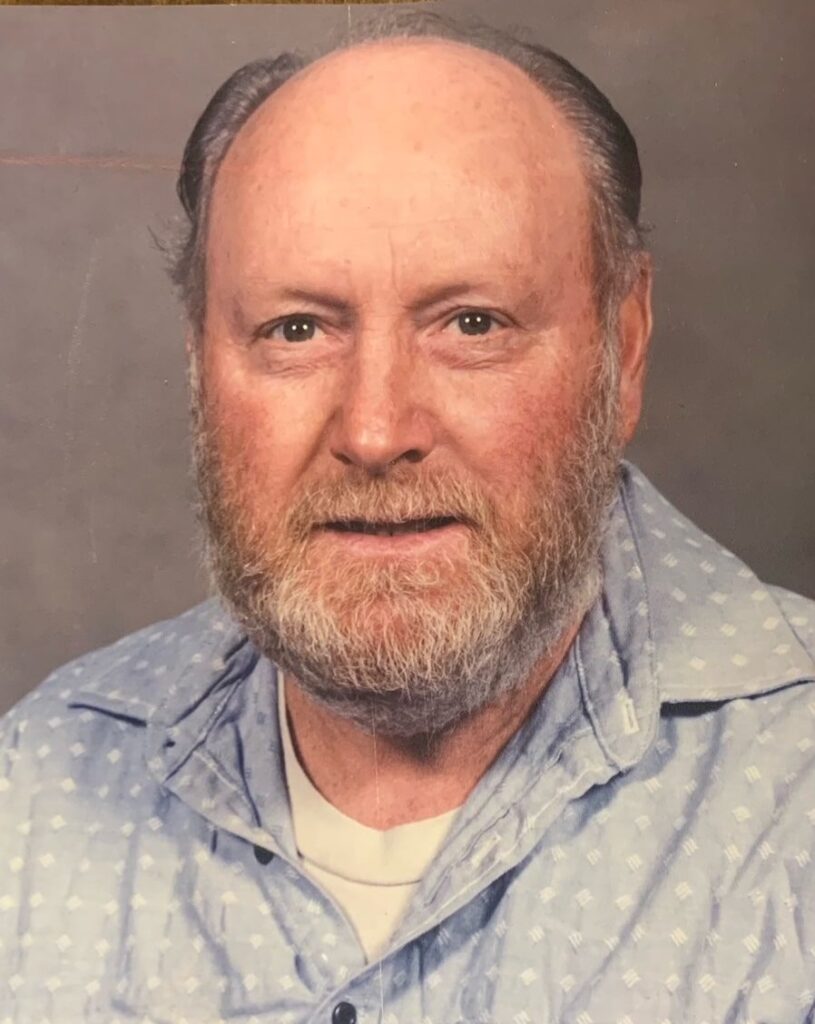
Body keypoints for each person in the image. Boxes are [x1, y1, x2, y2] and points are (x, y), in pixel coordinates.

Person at [1, 10, 813, 1023]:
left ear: (626, 344)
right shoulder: (35, 795)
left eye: (470, 323)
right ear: (199, 361)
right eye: (296, 328)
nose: (375, 430)